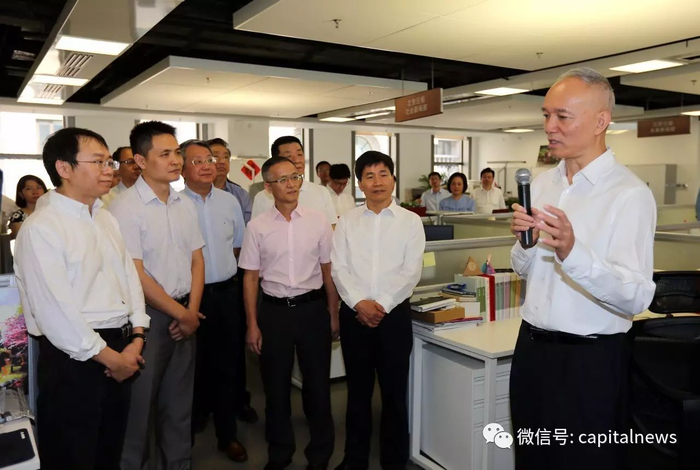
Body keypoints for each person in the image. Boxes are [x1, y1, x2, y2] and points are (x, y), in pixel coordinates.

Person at [509, 67, 656, 470]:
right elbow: (524, 269)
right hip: (532, 350)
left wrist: (573, 252)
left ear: (600, 121)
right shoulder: (542, 184)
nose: (549, 126)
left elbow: (636, 296)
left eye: (562, 116)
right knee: (532, 458)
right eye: (546, 115)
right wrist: (525, 243)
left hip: (589, 362)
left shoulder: (629, 194)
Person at [13, 127, 149, 470]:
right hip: (73, 359)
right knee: (73, 455)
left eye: (109, 161)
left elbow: (129, 279)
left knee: (108, 451)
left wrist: (137, 337)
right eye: (98, 162)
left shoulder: (104, 217)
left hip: (120, 346)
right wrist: (112, 359)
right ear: (64, 168)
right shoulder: (42, 227)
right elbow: (55, 313)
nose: (109, 170)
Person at [110, 121, 205, 470]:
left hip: (186, 314)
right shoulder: (124, 208)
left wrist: (191, 311)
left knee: (179, 407)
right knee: (139, 412)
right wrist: (182, 315)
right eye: (164, 154)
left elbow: (197, 259)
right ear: (140, 160)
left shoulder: (184, 204)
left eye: (176, 152)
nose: (175, 160)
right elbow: (135, 273)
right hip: (146, 320)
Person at [240, 156, 339, 470]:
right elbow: (250, 278)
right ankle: (280, 453)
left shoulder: (318, 221)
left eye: (295, 177)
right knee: (276, 389)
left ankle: (320, 456)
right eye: (282, 179)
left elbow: (328, 271)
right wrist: (252, 324)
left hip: (312, 311)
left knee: (318, 388)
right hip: (274, 314)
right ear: (268, 188)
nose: (291, 184)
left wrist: (333, 314)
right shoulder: (257, 227)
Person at [331, 151, 426, 470]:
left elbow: (411, 271)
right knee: (357, 394)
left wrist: (381, 305)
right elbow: (338, 268)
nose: (377, 182)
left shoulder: (410, 222)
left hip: (393, 317)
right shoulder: (347, 221)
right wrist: (359, 302)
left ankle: (394, 462)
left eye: (383, 174)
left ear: (393, 179)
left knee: (394, 395)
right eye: (369, 176)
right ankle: (354, 459)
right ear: (360, 184)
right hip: (354, 316)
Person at [180, 139, 249, 462]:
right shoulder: (175, 205)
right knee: (190, 369)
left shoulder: (229, 201)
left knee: (226, 367)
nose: (208, 165)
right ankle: (187, 434)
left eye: (209, 159)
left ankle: (227, 435)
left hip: (226, 295)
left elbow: (237, 246)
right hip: (187, 300)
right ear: (181, 168)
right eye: (197, 161)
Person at [251, 136, 336, 225]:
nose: (297, 160)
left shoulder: (321, 192)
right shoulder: (262, 198)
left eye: (300, 154)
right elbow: (257, 229)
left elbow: (332, 226)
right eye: (289, 156)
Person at [208, 137, 253, 225]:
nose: (222, 161)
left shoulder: (240, 194)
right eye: (215, 157)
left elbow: (248, 226)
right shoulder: (198, 193)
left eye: (226, 157)